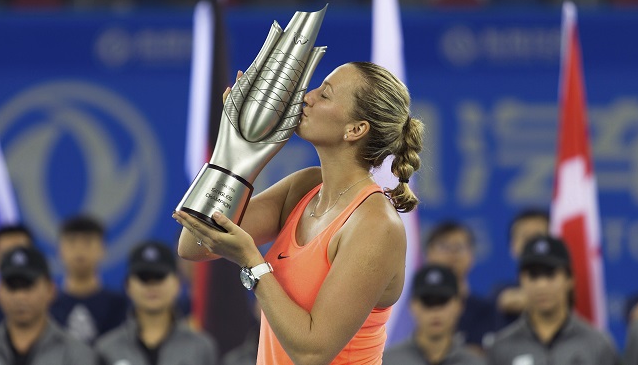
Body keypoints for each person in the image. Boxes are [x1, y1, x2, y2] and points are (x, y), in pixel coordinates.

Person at [174, 61, 423, 364]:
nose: (308, 96)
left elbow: (312, 352)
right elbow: (193, 244)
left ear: (355, 129)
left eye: (326, 94)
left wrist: (252, 263)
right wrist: (234, 146)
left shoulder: (376, 223)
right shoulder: (304, 187)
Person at [487, 235, 619, 365]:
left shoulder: (597, 345)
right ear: (521, 280)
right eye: (534, 275)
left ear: (570, 279)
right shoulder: (502, 348)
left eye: (550, 274)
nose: (542, 285)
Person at [0, 246, 98, 365]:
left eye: (28, 286)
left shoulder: (76, 353)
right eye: (12, 286)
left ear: (50, 290)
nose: (20, 296)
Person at [95, 241, 218, 365]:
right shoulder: (106, 348)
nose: (152, 286)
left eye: (160, 276)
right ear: (128, 286)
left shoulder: (200, 347)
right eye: (144, 277)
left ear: (177, 283)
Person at [382, 264, 485, 365]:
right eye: (428, 301)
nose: (435, 311)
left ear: (459, 305)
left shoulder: (474, 362)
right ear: (413, 306)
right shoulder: (387, 361)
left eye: (442, 301)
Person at [423, 221, 501, 351]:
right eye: (444, 247)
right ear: (428, 254)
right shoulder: (415, 307)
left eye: (459, 247)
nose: (452, 254)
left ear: (472, 255)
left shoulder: (486, 310)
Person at [51, 215, 128, 344]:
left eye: (88, 241)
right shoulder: (48, 307)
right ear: (59, 250)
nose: (79, 249)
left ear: (102, 249)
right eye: (72, 241)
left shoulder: (121, 307)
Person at [493, 209, 550, 326]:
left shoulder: (569, 288)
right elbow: (506, 300)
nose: (533, 246)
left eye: (538, 237)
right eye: (526, 238)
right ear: (513, 246)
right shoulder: (501, 291)